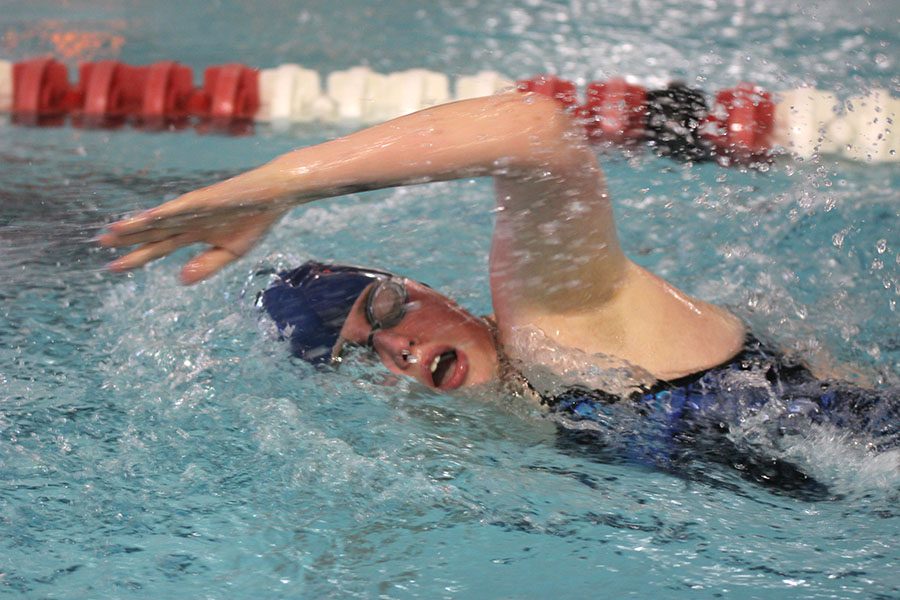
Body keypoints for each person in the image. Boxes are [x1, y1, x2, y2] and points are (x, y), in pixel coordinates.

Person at [100, 91, 746, 396]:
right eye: (356, 358)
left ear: (430, 290)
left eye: (384, 309)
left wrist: (285, 182)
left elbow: (533, 129)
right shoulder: (503, 427)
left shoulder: (556, 318)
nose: (394, 346)